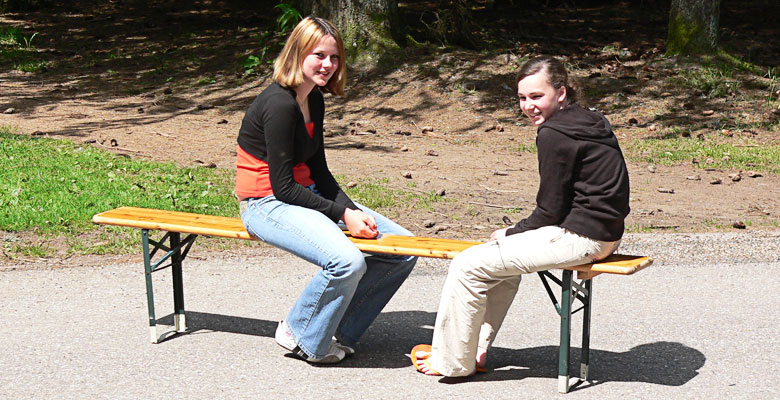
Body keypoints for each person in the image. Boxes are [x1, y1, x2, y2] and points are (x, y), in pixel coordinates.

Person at [411, 56, 630, 376]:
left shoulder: (555, 133)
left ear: (562, 93)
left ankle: (452, 362)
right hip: (607, 234)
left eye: (537, 97)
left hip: (582, 237)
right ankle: (476, 351)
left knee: (467, 264)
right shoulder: (588, 119)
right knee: (497, 265)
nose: (528, 106)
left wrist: (512, 232)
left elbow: (550, 210)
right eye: (522, 98)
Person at [236, 17, 417, 364]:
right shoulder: (279, 105)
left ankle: (337, 329)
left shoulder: (313, 100)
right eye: (319, 55)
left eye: (334, 58)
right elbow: (283, 187)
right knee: (345, 261)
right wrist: (343, 214)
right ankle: (299, 330)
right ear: (297, 53)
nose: (328, 65)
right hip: (264, 204)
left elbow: (319, 170)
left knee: (403, 250)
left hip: (303, 195)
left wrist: (351, 210)